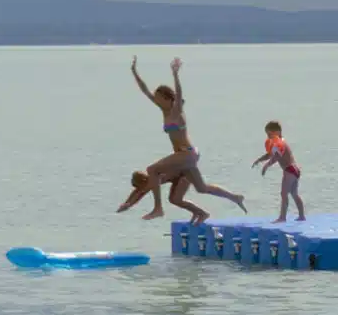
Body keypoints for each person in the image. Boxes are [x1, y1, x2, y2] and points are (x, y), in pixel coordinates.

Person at [130, 56, 246, 221]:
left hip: (186, 153)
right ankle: (235, 197)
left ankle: (158, 208)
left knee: (152, 170)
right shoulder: (164, 110)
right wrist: (134, 72)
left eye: (159, 98)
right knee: (201, 188)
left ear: (167, 99)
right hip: (185, 157)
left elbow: (179, 94)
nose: (156, 100)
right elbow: (145, 90)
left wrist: (175, 74)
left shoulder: (176, 111)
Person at [252, 121, 306, 222]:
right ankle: (302, 216)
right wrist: (259, 160)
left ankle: (282, 217)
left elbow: (276, 157)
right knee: (294, 194)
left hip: (289, 170)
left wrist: (266, 166)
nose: (268, 137)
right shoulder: (278, 143)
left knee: (284, 194)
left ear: (277, 132)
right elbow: (270, 155)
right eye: (267, 134)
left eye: (270, 134)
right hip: (295, 170)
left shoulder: (280, 143)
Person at [118, 170, 208, 225]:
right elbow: (137, 191)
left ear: (143, 181)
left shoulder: (151, 180)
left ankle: (203, 214)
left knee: (176, 200)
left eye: (140, 186)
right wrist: (127, 203)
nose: (140, 188)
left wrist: (129, 204)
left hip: (184, 176)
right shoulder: (148, 179)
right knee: (173, 200)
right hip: (177, 179)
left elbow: (140, 193)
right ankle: (196, 212)